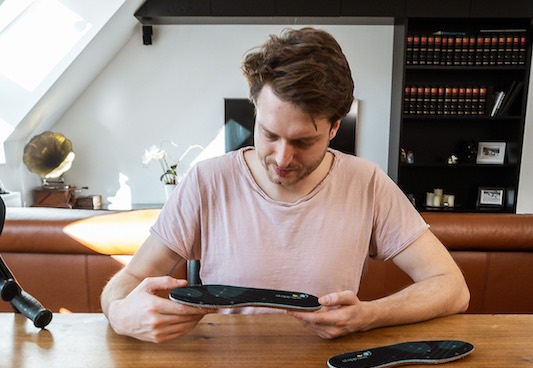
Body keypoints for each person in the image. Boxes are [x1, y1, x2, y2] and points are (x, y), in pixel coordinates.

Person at [101, 27, 469, 343]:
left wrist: (368, 315)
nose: (281, 158)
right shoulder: (207, 180)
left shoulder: (367, 183)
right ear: (256, 111)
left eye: (303, 142)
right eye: (269, 134)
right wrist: (119, 314)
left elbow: (451, 286)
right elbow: (130, 277)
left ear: (335, 127)